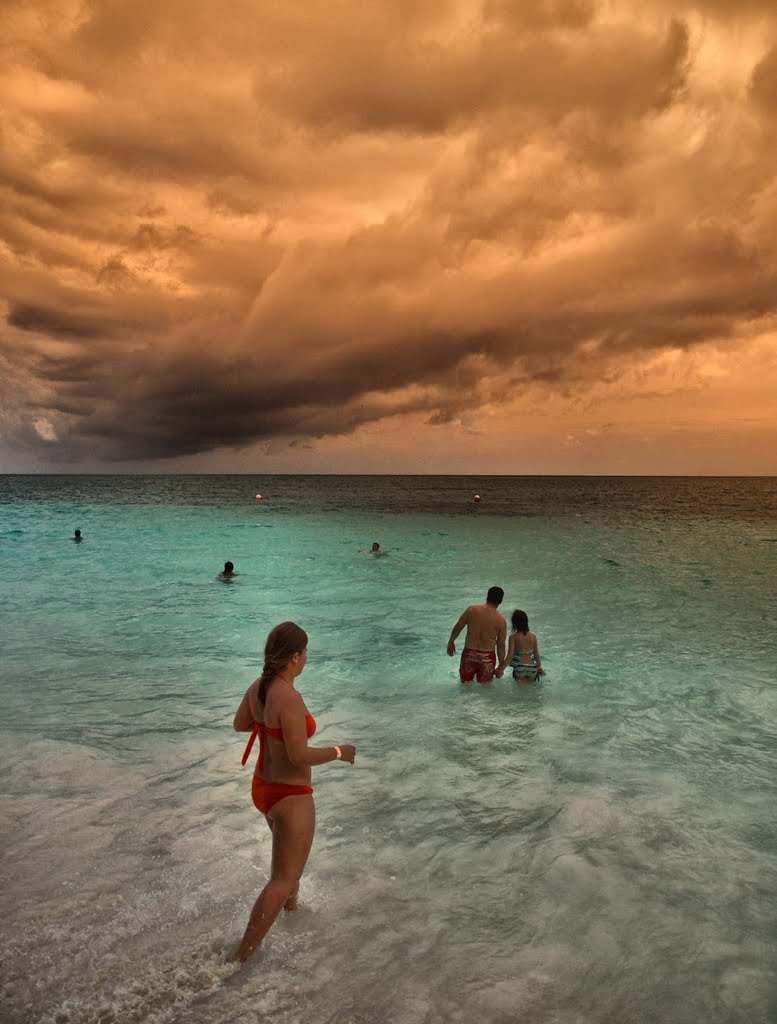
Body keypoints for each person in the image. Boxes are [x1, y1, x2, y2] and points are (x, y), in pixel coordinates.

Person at [232, 622, 356, 962]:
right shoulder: (288, 696)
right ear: (296, 657)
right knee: (283, 879)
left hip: (264, 789)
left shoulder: (260, 686)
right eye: (306, 654)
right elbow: (298, 755)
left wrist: (267, 722)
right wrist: (338, 752)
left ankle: (292, 922)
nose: (306, 660)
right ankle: (238, 959)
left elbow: (240, 724)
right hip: (291, 794)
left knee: (290, 869)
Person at [447, 586, 507, 683]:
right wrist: (501, 667)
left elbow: (458, 627)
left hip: (469, 654)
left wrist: (451, 642)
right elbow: (501, 646)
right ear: (501, 601)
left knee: (465, 686)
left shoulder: (472, 610)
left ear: (487, 596)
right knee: (486, 690)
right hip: (487, 657)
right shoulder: (501, 621)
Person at [500, 609, 545, 683]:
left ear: (514, 623)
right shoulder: (533, 636)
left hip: (519, 667)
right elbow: (536, 654)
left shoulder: (513, 637)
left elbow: (510, 655)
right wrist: (540, 669)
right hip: (532, 667)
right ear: (526, 622)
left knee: (521, 693)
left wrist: (501, 669)